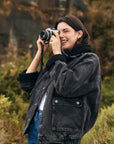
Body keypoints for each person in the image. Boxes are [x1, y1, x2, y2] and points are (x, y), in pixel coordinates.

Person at [17, 15, 101, 144]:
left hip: (61, 134)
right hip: (37, 126)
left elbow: (66, 86)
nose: (61, 35)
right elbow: (27, 85)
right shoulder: (58, 60)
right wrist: (40, 53)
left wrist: (57, 53)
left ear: (79, 34)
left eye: (66, 31)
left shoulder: (89, 60)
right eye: (58, 32)